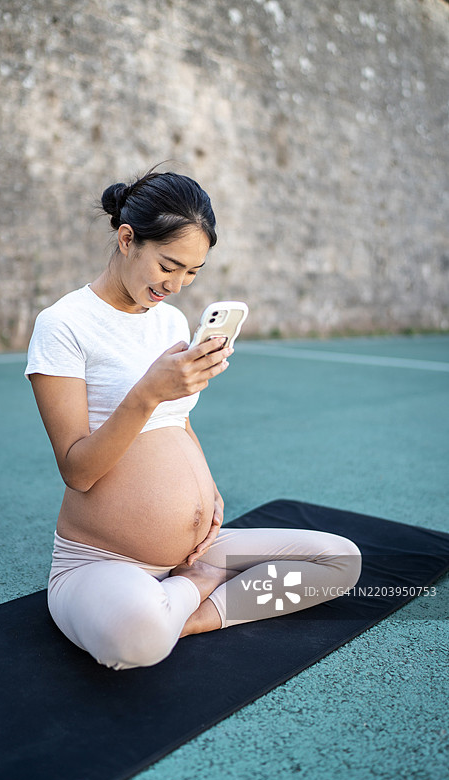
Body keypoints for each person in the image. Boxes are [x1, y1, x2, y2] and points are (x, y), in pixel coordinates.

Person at [25, 169, 361, 670]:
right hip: (104, 562)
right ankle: (198, 588)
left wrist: (208, 491)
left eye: (193, 273)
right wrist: (148, 392)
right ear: (127, 239)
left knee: (340, 562)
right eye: (168, 265)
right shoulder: (63, 324)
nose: (177, 285)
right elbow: (78, 470)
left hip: (196, 545)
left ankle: (192, 614)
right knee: (134, 640)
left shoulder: (169, 321)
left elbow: (178, 422)